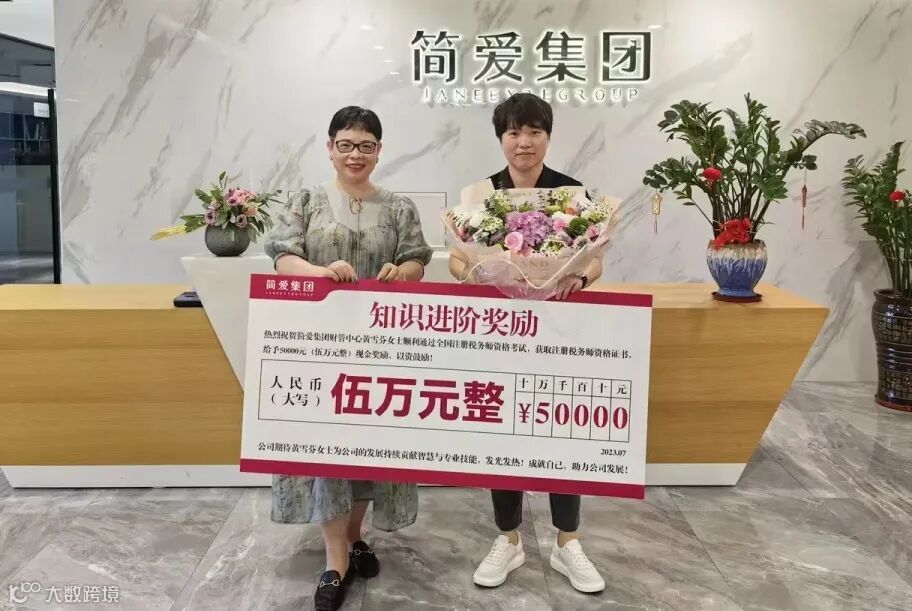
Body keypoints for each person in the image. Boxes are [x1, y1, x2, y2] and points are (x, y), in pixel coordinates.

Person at [265, 106, 432, 611]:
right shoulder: (306, 200)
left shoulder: (400, 207)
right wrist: (320, 272)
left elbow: (416, 260)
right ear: (330, 147)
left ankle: (356, 534)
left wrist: (400, 272)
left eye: (365, 146)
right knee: (328, 451)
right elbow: (282, 256)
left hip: (383, 347)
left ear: (379, 150)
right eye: (345, 144)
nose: (355, 154)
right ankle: (335, 557)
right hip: (320, 346)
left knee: (367, 450)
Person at [449, 93, 606, 593]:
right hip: (500, 332)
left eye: (534, 131)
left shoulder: (572, 195)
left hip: (559, 331)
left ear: (548, 137)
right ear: (501, 139)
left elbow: (594, 258)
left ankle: (567, 542)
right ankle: (508, 538)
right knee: (503, 429)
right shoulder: (480, 195)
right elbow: (457, 257)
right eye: (514, 132)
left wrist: (579, 278)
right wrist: (477, 271)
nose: (524, 142)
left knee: (562, 426)